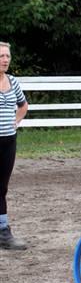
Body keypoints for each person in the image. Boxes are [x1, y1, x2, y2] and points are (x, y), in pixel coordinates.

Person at [0, 42, 28, 250]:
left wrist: (15, 121)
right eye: (1, 56)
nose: (5, 59)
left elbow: (23, 105)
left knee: (1, 188)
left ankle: (3, 232)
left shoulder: (13, 81)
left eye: (7, 56)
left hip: (9, 141)